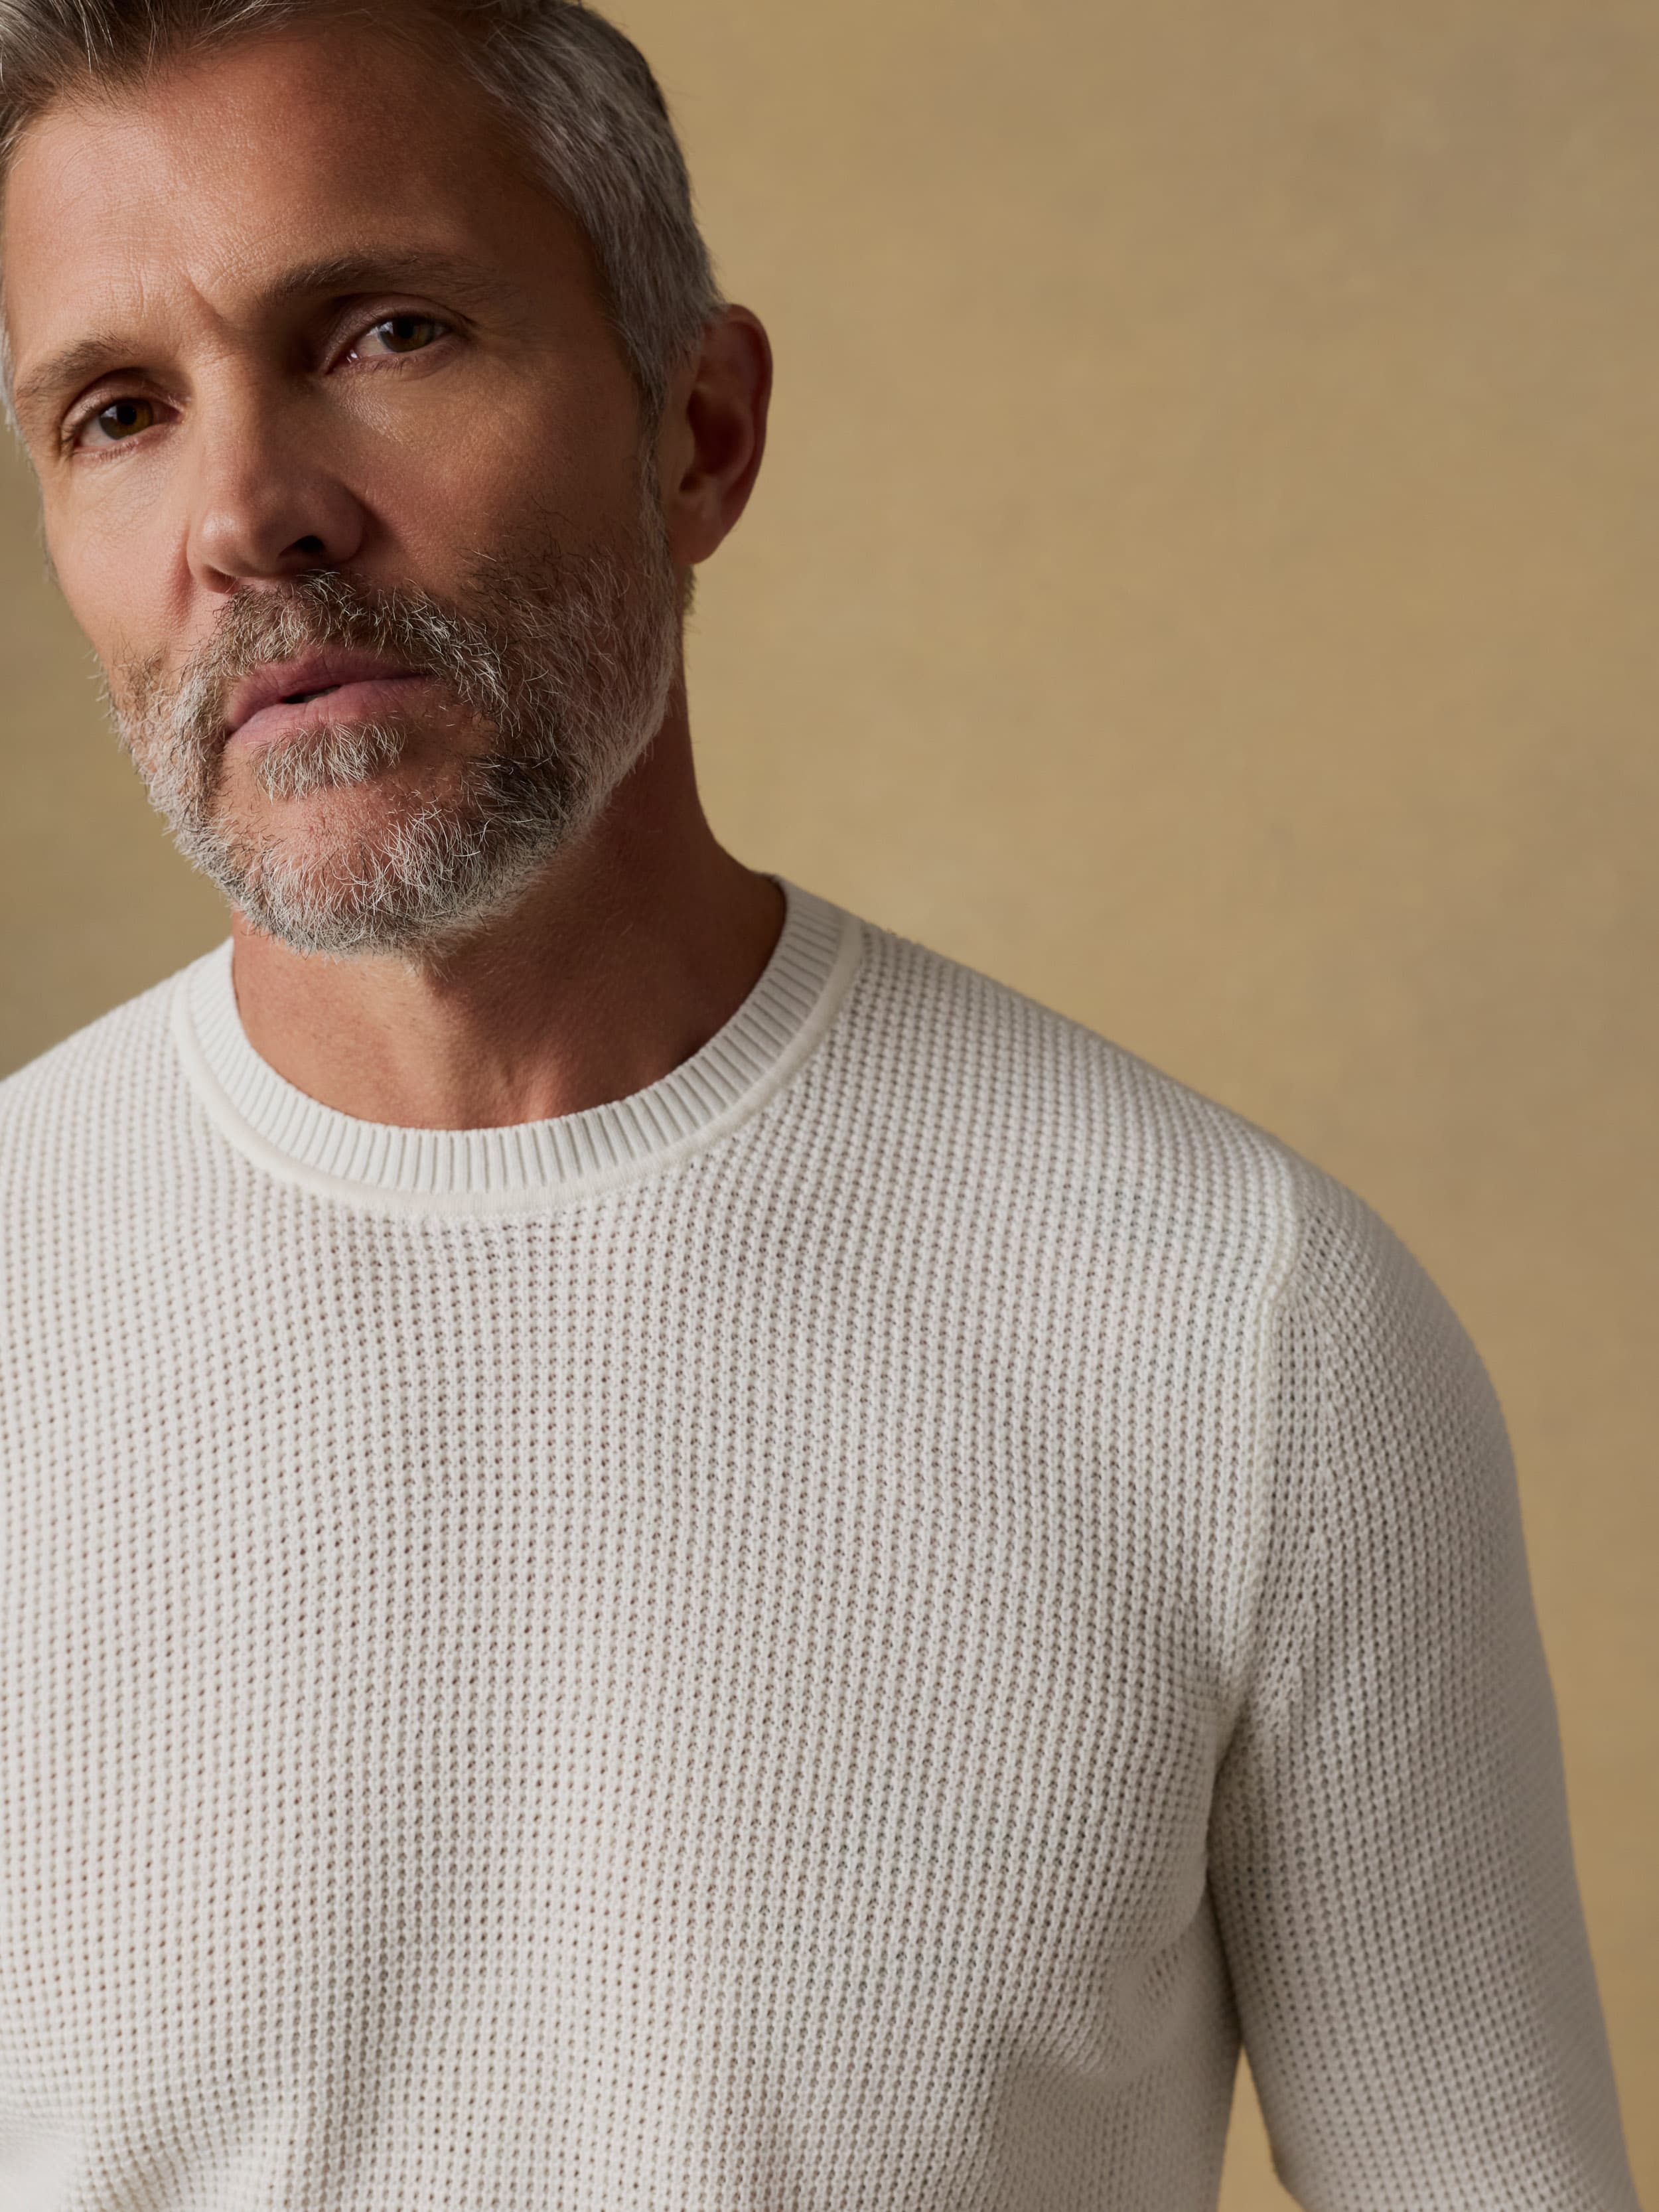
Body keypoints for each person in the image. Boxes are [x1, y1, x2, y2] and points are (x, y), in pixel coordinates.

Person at [0, 2, 1640, 2207]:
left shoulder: (1238, 1334)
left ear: (699, 434)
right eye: (116, 411)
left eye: (385, 333)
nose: (249, 516)